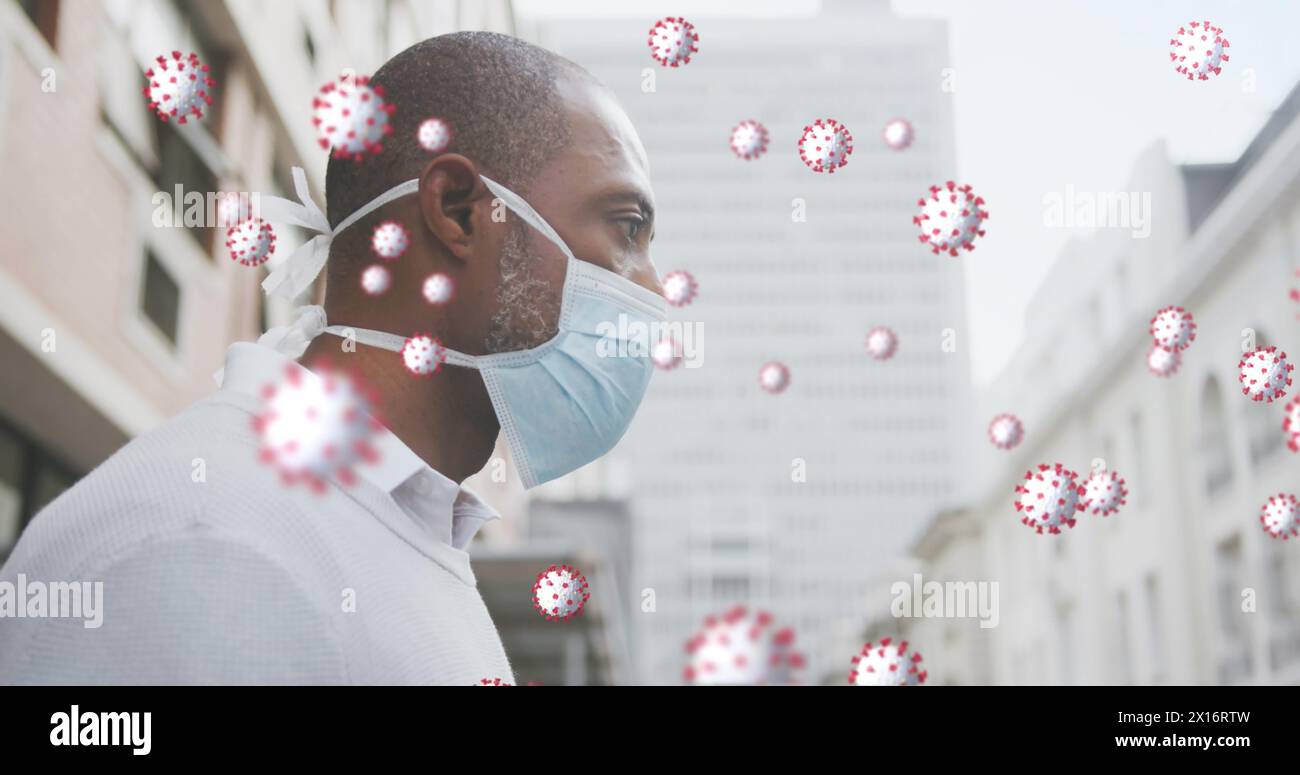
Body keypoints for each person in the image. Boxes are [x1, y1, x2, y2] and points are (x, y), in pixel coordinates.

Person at [0, 31, 664, 684]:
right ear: (461, 212)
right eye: (626, 227)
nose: (654, 288)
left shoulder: (402, 527)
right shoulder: (214, 545)